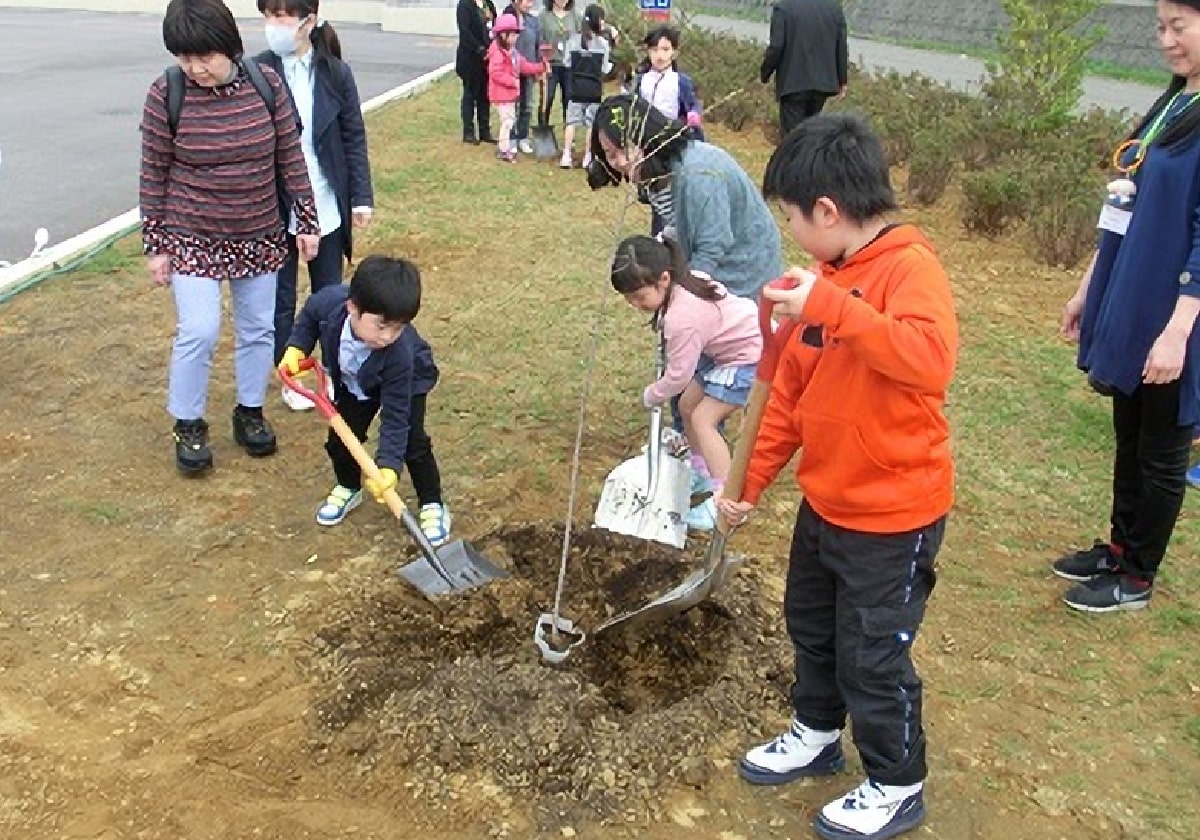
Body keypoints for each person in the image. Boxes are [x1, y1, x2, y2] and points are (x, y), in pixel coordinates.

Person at [716, 114, 957, 840]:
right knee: (813, 628)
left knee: (873, 653)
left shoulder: (909, 269)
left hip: (894, 515)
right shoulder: (826, 279)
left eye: (792, 219)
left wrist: (829, 306)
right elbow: (784, 399)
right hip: (827, 503)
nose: (792, 235)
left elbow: (927, 361)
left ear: (828, 210)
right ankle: (817, 731)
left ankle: (896, 779)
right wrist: (744, 484)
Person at [1056, 0, 1200, 613]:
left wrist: (1178, 332)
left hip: (1177, 309)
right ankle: (1119, 546)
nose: (1167, 40)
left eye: (1180, 27)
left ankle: (1138, 574)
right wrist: (1090, 285)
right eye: (1160, 28)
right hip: (1132, 291)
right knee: (1131, 428)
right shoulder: (1175, 103)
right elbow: (1125, 201)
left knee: (1164, 445)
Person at [140, 0, 319, 475]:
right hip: (192, 233)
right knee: (198, 331)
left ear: (230, 48)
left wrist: (306, 219)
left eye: (204, 57)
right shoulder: (167, 92)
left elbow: (290, 157)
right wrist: (156, 245)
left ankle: (249, 411)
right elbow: (153, 171)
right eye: (184, 57)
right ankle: (189, 422)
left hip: (258, 230)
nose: (194, 68)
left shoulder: (266, 86)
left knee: (259, 328)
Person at [278, 255, 453, 544]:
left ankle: (432, 502)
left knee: (412, 442)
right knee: (342, 438)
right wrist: (297, 347)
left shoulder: (400, 353)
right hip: (354, 382)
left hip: (405, 383)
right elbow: (309, 316)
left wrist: (387, 466)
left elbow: (395, 418)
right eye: (382, 326)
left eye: (398, 328)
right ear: (353, 308)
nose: (388, 336)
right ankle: (349, 486)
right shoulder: (331, 304)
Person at [256, 0, 374, 412]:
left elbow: (353, 138)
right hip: (274, 206)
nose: (275, 24)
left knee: (329, 296)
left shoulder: (335, 74)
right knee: (281, 298)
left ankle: (334, 372)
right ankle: (291, 374)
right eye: (269, 14)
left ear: (309, 20)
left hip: (325, 204)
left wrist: (360, 197)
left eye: (283, 15)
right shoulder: (257, 71)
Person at [611, 234, 762, 527]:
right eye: (628, 298)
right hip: (724, 351)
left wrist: (652, 395)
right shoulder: (687, 279)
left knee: (704, 420)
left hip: (748, 355)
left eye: (639, 297)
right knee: (688, 407)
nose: (634, 304)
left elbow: (678, 376)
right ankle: (702, 470)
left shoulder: (682, 318)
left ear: (664, 279)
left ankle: (727, 499)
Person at [588, 94, 781, 300]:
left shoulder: (698, 175)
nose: (621, 161)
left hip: (743, 272)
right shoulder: (653, 172)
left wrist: (683, 299)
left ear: (646, 136)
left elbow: (711, 246)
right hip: (707, 263)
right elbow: (679, 226)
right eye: (610, 154)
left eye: (626, 148)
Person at [632, 24, 704, 235]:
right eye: (654, 50)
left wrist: (693, 116)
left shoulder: (680, 81)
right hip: (648, 145)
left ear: (674, 52)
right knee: (656, 194)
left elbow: (692, 105)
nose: (659, 55)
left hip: (672, 142)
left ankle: (677, 234)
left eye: (665, 49)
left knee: (674, 192)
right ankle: (658, 237)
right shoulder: (642, 80)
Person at [760, 0, 848, 139]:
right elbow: (841, 46)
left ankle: (794, 159)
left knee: (792, 136)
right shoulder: (834, 9)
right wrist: (842, 80)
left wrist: (765, 73)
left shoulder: (784, 8)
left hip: (793, 82)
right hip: (823, 84)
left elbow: (776, 46)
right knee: (811, 134)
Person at [488, 14, 549, 163]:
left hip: (509, 95)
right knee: (507, 122)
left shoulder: (513, 52)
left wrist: (540, 67)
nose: (516, 37)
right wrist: (512, 81)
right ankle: (503, 149)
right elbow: (495, 73)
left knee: (509, 120)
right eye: (513, 34)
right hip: (502, 95)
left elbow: (524, 66)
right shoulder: (497, 52)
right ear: (503, 35)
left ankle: (505, 147)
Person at [560, 4, 612, 169]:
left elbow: (566, 62)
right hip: (594, 89)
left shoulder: (573, 40)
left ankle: (566, 155)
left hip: (575, 88)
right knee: (591, 123)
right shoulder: (603, 44)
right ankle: (588, 156)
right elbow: (605, 68)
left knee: (571, 122)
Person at [456, 0, 499, 144]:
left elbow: (495, 27)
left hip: (488, 57)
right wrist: (480, 49)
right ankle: (468, 131)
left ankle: (484, 131)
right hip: (470, 57)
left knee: (484, 95)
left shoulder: (488, 4)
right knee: (470, 93)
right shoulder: (465, 5)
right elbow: (465, 31)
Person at [502, 0, 540, 155]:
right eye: (527, 1)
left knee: (527, 105)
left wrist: (538, 65)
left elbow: (538, 43)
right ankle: (511, 138)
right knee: (512, 106)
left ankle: (523, 137)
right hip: (512, 70)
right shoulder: (508, 16)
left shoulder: (533, 21)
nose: (530, 4)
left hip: (529, 68)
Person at [539, 0, 579, 128]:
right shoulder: (544, 16)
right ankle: (543, 128)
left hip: (568, 65)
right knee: (547, 98)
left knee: (568, 98)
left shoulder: (575, 16)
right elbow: (539, 39)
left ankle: (568, 131)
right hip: (550, 64)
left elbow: (585, 33)